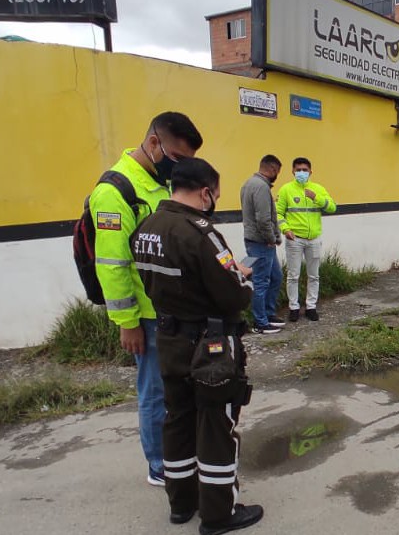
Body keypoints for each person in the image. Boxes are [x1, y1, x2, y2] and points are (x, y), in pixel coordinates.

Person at [132, 158, 265, 534]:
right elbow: (234, 297)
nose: (215, 201)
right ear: (205, 192)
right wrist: (243, 277)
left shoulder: (147, 228)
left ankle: (181, 505)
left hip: (169, 339)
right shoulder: (201, 234)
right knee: (216, 425)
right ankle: (220, 514)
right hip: (210, 347)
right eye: (216, 195)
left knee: (177, 420)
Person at [90, 111, 202, 487]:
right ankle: (160, 466)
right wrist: (128, 323)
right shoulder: (115, 192)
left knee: (178, 389)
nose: (180, 169)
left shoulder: (158, 186)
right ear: (154, 143)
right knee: (155, 393)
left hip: (174, 311)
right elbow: (112, 264)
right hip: (148, 318)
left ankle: (181, 456)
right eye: (177, 159)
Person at [276, 157, 337, 322]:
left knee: (314, 275)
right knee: (293, 275)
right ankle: (294, 307)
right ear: (293, 172)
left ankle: (311, 306)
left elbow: (332, 207)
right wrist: (285, 229)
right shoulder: (286, 189)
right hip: (294, 238)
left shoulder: (318, 189)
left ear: (311, 171)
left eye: (304, 170)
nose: (301, 173)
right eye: (298, 170)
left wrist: (316, 197)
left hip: (314, 239)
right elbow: (278, 213)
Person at [240, 155, 285, 334]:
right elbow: (263, 219)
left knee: (276, 277)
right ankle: (260, 322)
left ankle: (268, 313)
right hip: (261, 243)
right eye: (278, 172)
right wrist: (270, 239)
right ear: (273, 169)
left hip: (259, 241)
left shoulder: (249, 184)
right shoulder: (260, 187)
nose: (277, 176)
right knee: (261, 282)